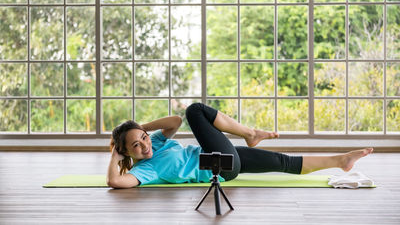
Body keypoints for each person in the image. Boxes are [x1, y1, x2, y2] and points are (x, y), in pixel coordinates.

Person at [107, 102, 373, 188]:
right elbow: (115, 183)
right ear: (127, 152)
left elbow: (173, 121)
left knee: (284, 162)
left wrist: (141, 129)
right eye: (136, 145)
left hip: (225, 158)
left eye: (143, 138)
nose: (144, 146)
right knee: (195, 110)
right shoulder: (145, 170)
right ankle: (250, 133)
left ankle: (341, 160)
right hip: (220, 166)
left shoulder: (155, 141)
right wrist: (114, 155)